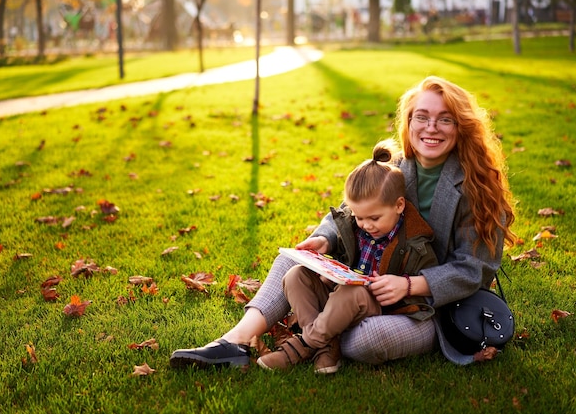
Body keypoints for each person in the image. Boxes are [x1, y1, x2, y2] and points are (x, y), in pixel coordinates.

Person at [169, 75, 516, 369]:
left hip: (426, 308)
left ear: (461, 126)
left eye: (445, 119)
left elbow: (475, 269)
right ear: (408, 123)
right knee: (293, 258)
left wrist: (410, 285)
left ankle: (319, 335)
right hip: (367, 282)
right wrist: (323, 240)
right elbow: (348, 212)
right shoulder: (394, 166)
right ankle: (235, 343)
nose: (431, 128)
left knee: (364, 342)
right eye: (421, 117)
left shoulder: (478, 184)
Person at [256, 140, 438, 374]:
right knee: (295, 276)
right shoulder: (354, 226)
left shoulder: (416, 243)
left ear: (399, 205)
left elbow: (429, 284)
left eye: (374, 218)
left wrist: (403, 285)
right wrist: (329, 269)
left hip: (381, 308)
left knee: (352, 294)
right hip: (341, 298)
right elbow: (343, 259)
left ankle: (304, 345)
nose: (366, 225)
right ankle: (327, 349)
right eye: (360, 217)